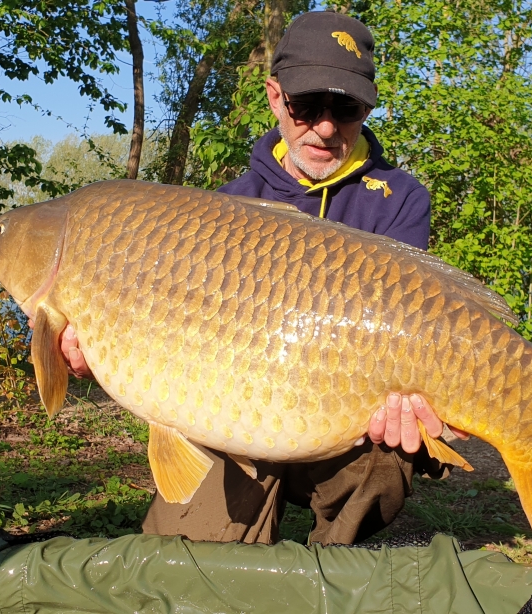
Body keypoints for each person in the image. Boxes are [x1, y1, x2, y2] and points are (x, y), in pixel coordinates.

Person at [59, 10, 468, 545]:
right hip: (237, 418)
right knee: (189, 557)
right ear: (275, 96)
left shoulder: (400, 199)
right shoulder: (227, 208)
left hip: (341, 416)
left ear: (367, 107)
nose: (325, 126)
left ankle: (334, 566)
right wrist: (107, 352)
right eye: (305, 105)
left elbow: (410, 330)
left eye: (344, 108)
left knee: (387, 453)